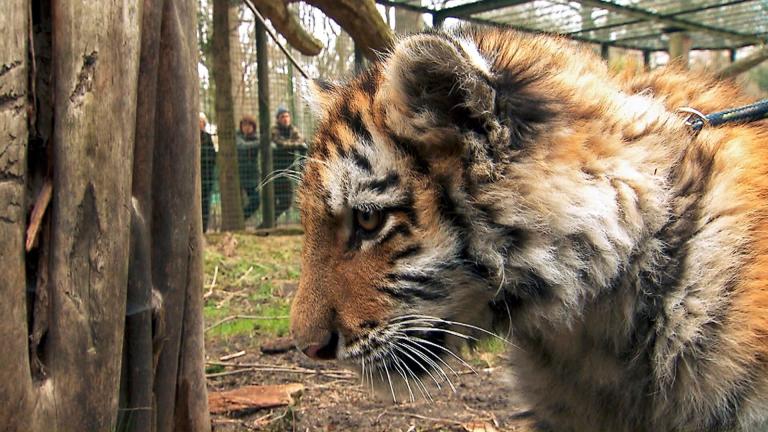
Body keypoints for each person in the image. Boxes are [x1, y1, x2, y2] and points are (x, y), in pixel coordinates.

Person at [270, 107, 306, 221]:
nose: (285, 119)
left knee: (287, 201)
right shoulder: (274, 130)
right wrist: (294, 145)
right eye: (282, 117)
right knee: (272, 200)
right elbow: (279, 142)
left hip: (288, 170)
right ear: (278, 119)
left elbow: (301, 140)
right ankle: (270, 222)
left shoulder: (293, 130)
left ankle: (271, 219)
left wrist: (289, 145)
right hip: (274, 171)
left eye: (287, 116)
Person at [236, 115, 260, 219]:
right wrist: (260, 143)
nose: (247, 128)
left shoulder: (256, 137)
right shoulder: (237, 136)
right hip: (238, 175)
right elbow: (242, 146)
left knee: (256, 201)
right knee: (236, 202)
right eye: (244, 125)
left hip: (252, 176)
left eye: (249, 125)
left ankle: (241, 219)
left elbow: (271, 145)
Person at [199, 112, 216, 232]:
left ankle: (203, 228)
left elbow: (213, 157)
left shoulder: (209, 138)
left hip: (206, 177)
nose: (199, 124)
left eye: (201, 122)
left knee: (205, 203)